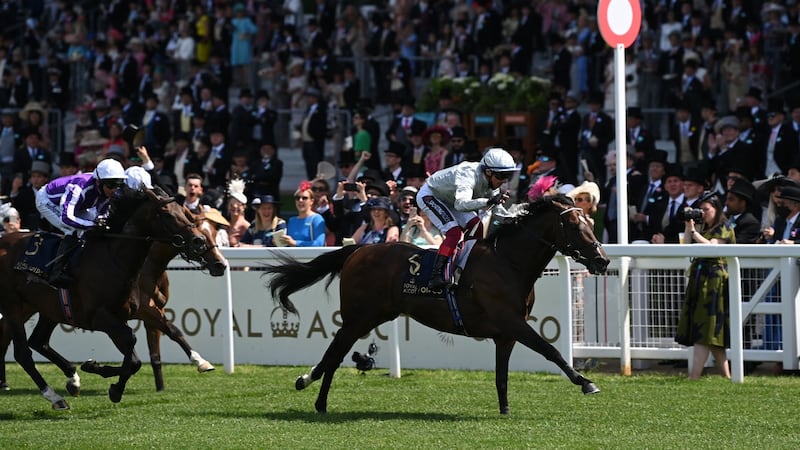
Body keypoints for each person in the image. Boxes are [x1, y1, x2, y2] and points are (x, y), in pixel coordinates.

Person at [417, 147, 519, 289]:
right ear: (488, 172)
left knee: (477, 225)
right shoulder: (468, 174)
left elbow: (497, 211)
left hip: (451, 198)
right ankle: (436, 276)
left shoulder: (492, 181)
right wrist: (488, 202)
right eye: (501, 176)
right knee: (454, 233)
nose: (504, 181)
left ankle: (469, 268)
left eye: (508, 176)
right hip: (431, 195)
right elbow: (460, 204)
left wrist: (512, 219)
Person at [35, 158, 127, 286]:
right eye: (111, 185)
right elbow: (66, 218)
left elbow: (101, 214)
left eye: (118, 185)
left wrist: (99, 222)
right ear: (99, 182)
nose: (114, 190)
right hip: (47, 200)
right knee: (72, 229)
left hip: (77, 206)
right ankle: (56, 273)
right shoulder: (79, 187)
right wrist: (91, 225)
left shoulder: (105, 190)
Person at [675, 191, 734, 380]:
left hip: (715, 280)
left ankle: (694, 377)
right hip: (701, 278)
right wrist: (689, 226)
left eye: (706, 209)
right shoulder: (704, 228)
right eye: (700, 209)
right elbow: (685, 246)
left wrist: (694, 233)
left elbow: (712, 247)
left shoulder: (724, 226)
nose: (703, 213)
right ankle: (727, 377)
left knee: (707, 327)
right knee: (711, 332)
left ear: (716, 209)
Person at [281, 182, 326, 247]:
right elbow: (287, 244)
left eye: (304, 198)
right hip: (292, 256)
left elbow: (319, 243)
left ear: (312, 201)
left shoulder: (317, 219)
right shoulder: (292, 220)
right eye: (297, 198)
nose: (300, 200)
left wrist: (296, 243)